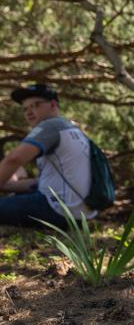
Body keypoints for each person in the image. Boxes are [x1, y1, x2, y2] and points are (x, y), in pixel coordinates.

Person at [0, 84, 94, 229]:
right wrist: (6, 185)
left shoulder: (51, 126)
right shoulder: (73, 130)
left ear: (53, 104)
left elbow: (14, 159)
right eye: (25, 109)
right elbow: (45, 182)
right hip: (80, 213)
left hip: (59, 210)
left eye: (35, 105)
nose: (29, 112)